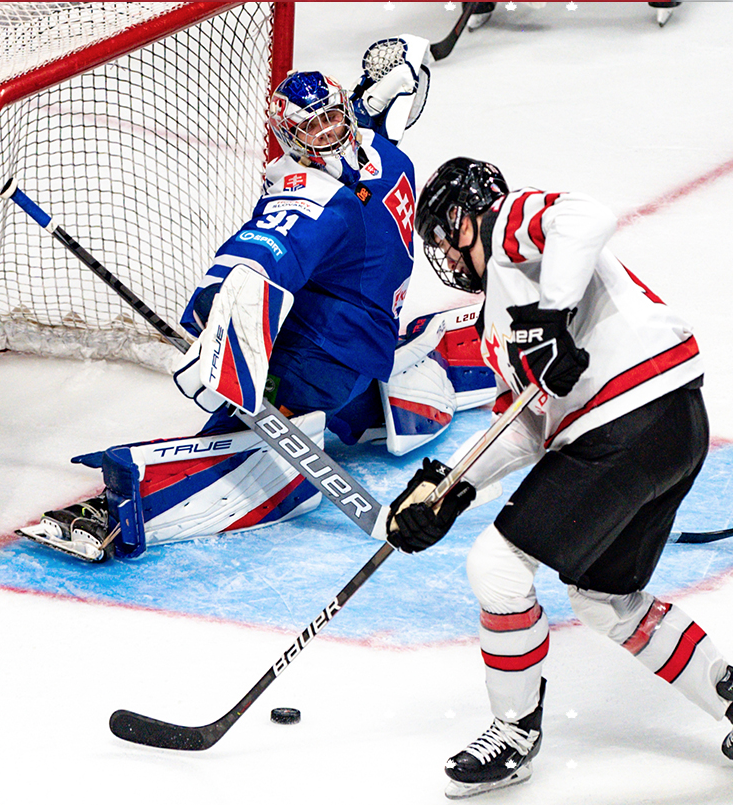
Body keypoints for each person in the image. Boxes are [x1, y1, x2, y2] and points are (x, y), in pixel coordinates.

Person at [17, 40, 496, 562]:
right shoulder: (374, 152)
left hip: (317, 367)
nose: (328, 133)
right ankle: (374, 408)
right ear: (291, 138)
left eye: (333, 119)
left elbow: (254, 267)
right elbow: (368, 114)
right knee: (378, 375)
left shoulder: (316, 191)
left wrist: (219, 340)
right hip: (365, 356)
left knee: (240, 425)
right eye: (312, 127)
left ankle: (122, 510)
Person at [386, 157, 733, 799]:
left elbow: (587, 216)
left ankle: (514, 732)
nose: (442, 253)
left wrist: (552, 316)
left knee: (496, 567)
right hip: (673, 426)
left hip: (629, 422)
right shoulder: (498, 322)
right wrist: (450, 489)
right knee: (607, 601)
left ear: (467, 217)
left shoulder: (511, 229)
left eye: (441, 234)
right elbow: (526, 422)